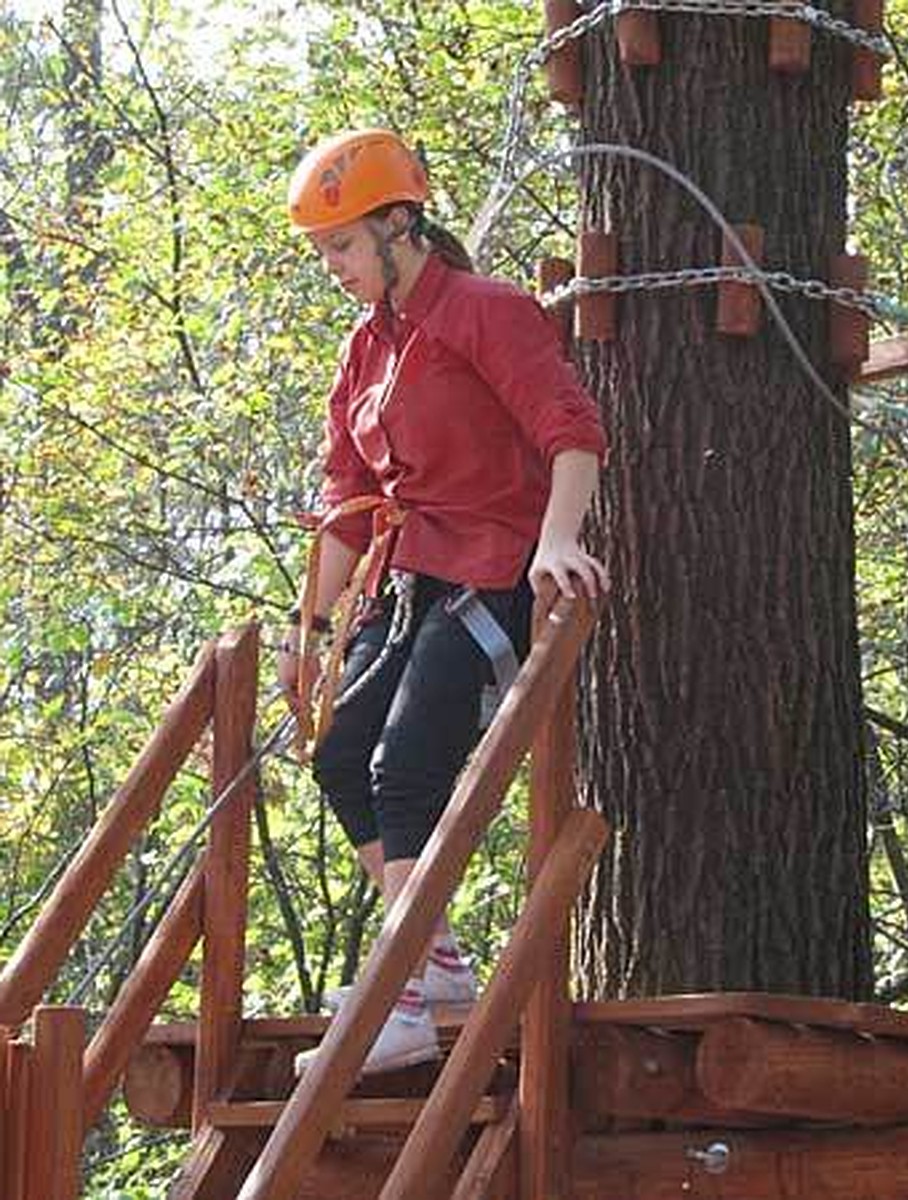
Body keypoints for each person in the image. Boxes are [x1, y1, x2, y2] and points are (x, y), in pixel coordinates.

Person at [278, 128, 608, 1074]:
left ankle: (406, 997)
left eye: (342, 246)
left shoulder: (486, 314)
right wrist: (307, 632)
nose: (332, 267)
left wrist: (557, 539)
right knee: (341, 753)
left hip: (493, 573)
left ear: (398, 224)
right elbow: (347, 502)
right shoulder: (366, 350)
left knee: (404, 767)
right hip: (408, 577)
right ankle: (436, 963)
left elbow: (571, 430)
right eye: (324, 252)